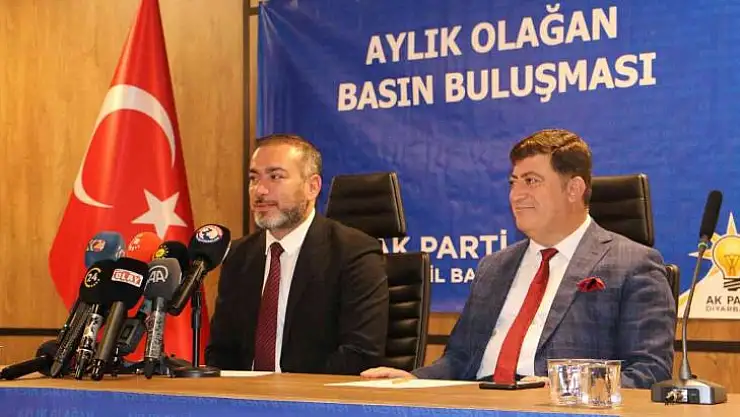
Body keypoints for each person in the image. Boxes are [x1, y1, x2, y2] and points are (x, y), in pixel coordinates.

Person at [362, 129, 676, 388]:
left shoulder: (633, 264)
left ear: (574, 189)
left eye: (531, 181)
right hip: (477, 405)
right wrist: (412, 380)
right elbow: (459, 359)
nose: (516, 195)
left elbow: (648, 371)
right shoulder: (493, 266)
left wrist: (565, 391)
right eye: (513, 182)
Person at [206, 134, 389, 375]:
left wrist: (284, 388)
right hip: (242, 395)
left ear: (312, 187)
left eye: (275, 176)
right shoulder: (239, 256)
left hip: (314, 395)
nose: (260, 190)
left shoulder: (354, 254)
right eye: (253, 178)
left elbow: (360, 355)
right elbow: (221, 352)